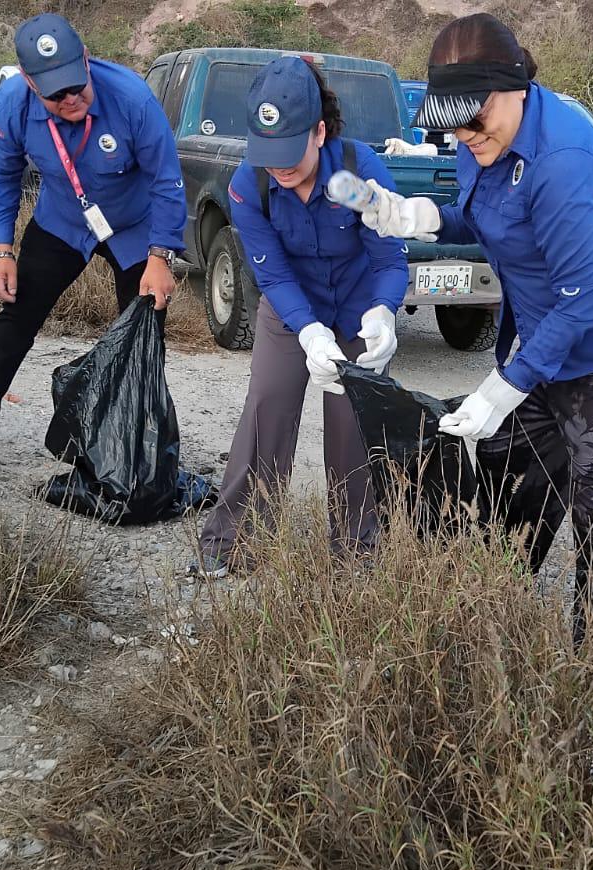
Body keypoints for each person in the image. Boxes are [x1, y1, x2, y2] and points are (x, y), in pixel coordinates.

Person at [360, 14, 593, 653]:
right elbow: (490, 215)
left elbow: (583, 298)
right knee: (509, 481)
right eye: (453, 124)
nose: (464, 136)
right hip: (546, 339)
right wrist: (424, 217)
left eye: (475, 121)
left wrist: (505, 385)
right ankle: (494, 622)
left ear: (515, 88)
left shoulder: (562, 159)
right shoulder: (479, 138)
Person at [0, 13, 187, 458]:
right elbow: (1, 176)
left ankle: (139, 451)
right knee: (17, 314)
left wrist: (160, 257)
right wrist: (2, 249)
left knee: (143, 331)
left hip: (134, 228)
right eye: (55, 93)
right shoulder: (11, 106)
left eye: (75, 85)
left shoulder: (132, 98)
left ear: (85, 58)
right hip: (63, 221)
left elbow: (167, 180)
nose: (70, 98)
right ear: (29, 81)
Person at [195, 56, 409, 577]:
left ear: (319, 131)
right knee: (267, 402)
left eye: (290, 153)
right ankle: (234, 539)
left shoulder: (356, 175)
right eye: (269, 156)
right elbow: (271, 272)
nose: (280, 170)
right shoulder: (250, 185)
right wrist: (309, 331)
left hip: (358, 306)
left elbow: (388, 259)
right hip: (291, 306)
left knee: (353, 421)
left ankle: (356, 552)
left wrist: (384, 313)